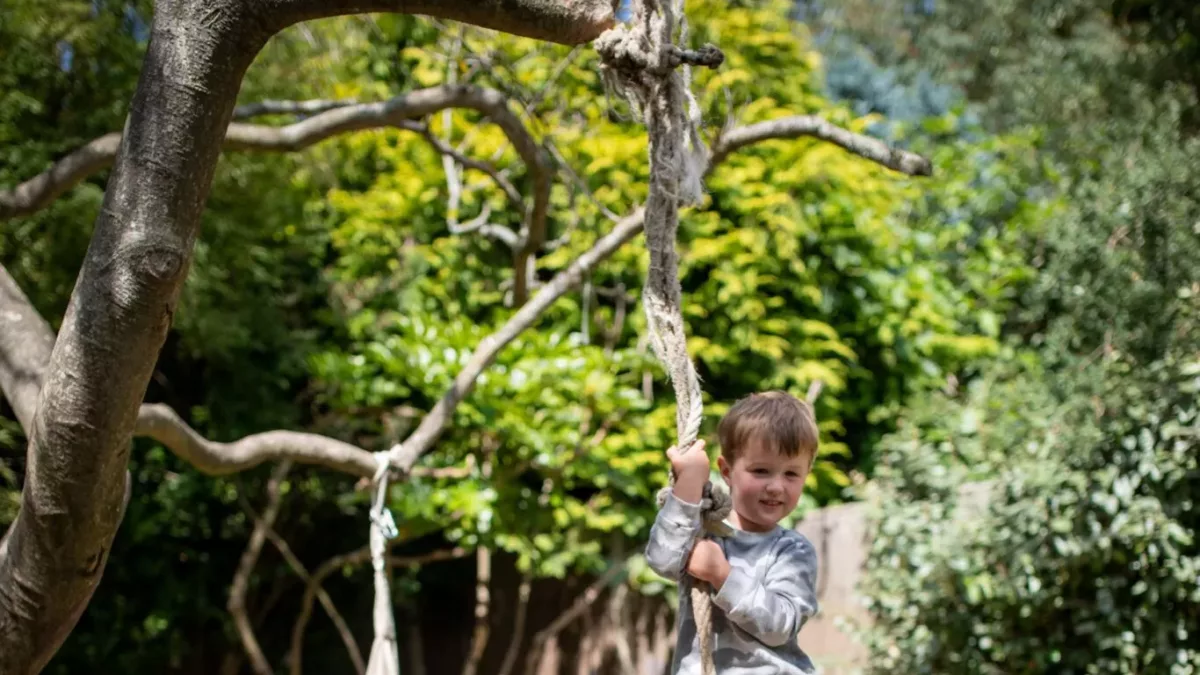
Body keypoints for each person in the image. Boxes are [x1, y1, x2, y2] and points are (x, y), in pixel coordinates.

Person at [645, 390, 821, 674]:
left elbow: (780, 626)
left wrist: (722, 575)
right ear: (727, 471)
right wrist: (688, 486)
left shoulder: (792, 551)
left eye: (791, 474)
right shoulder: (701, 530)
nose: (776, 486)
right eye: (761, 471)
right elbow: (662, 560)